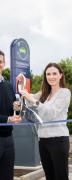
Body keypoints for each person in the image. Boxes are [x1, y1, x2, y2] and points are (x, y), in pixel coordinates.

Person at [16, 63, 71, 180]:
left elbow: (51, 113)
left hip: (59, 140)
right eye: (48, 74)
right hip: (43, 141)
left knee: (60, 176)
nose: (51, 77)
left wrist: (33, 101)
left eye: (54, 73)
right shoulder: (44, 93)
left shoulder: (65, 93)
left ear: (61, 75)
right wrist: (22, 83)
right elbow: (28, 99)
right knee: (49, 176)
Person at [0, 50, 21, 180]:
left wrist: (16, 109)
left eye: (0, 61)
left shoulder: (8, 85)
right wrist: (7, 119)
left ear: (4, 64)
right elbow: (8, 117)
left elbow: (14, 109)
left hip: (8, 139)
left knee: (7, 176)